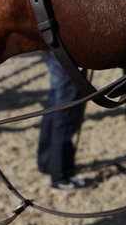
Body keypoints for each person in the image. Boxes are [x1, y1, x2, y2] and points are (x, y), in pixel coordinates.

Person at [37, 51, 88, 190]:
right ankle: (61, 175)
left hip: (53, 46)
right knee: (67, 109)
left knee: (55, 102)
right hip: (68, 50)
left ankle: (47, 162)